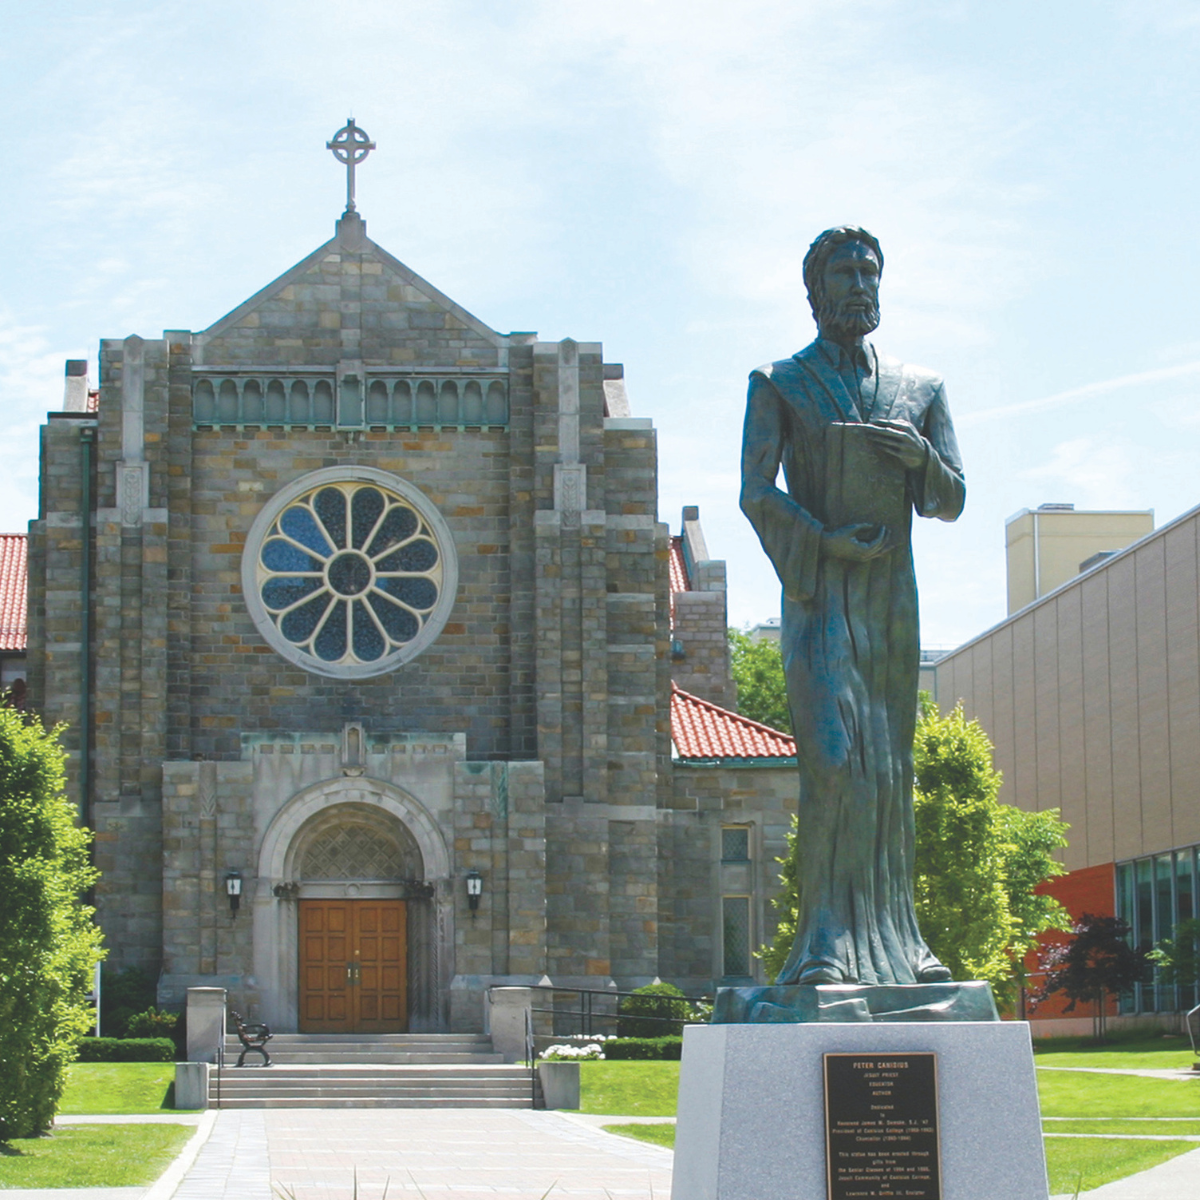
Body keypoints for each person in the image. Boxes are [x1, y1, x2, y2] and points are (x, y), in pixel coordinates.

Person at [739, 225, 965, 986]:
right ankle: (826, 944)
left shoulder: (920, 389)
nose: (860, 284)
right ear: (815, 290)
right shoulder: (779, 381)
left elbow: (951, 499)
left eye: (870, 270)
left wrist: (920, 459)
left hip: (890, 601)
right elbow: (755, 492)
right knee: (836, 760)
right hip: (821, 594)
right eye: (844, 272)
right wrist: (826, 542)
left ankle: (902, 946)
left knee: (891, 766)